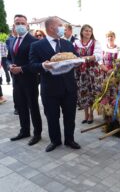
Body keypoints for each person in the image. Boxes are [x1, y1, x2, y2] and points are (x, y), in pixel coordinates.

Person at [29, 16, 81, 152]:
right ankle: (55, 141)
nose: (63, 28)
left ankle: (70, 139)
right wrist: (44, 65)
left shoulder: (68, 44)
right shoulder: (37, 45)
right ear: (51, 27)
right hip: (50, 89)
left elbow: (75, 58)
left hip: (69, 87)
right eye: (60, 25)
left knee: (70, 116)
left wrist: (77, 63)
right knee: (52, 116)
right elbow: (32, 65)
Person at [7, 14, 42, 146]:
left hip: (30, 79)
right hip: (16, 80)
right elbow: (9, 58)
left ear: (27, 25)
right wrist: (10, 65)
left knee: (33, 107)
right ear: (14, 25)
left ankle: (37, 133)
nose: (20, 25)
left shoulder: (34, 41)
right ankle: (24, 131)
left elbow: (35, 63)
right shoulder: (11, 40)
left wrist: (22, 68)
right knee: (21, 107)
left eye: (22, 23)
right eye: (17, 23)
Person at [74, 24, 102, 125]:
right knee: (83, 92)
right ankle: (85, 114)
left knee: (92, 92)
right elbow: (73, 55)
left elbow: (97, 56)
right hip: (81, 72)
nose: (88, 32)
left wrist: (84, 58)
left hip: (91, 71)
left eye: (90, 31)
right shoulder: (76, 43)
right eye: (86, 30)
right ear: (81, 32)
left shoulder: (95, 43)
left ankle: (91, 114)